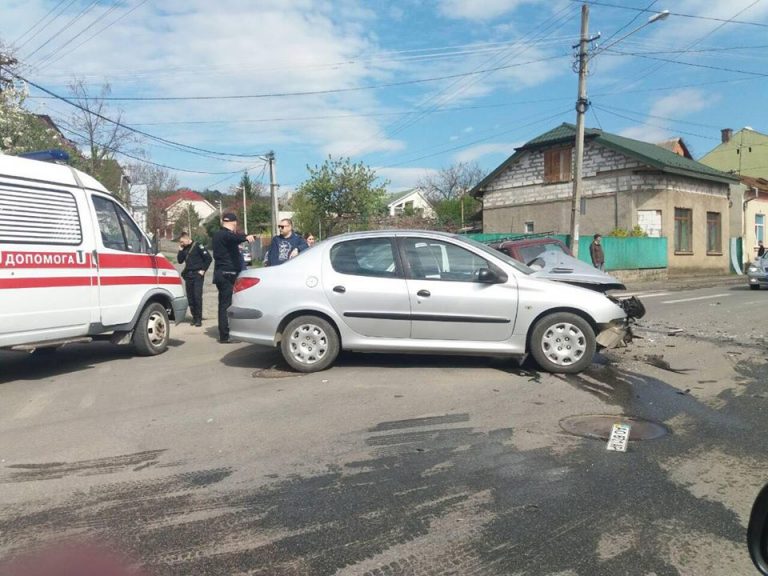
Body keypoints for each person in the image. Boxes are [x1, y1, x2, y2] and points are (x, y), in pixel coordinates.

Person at [212, 213, 255, 343]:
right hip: (227, 274)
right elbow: (233, 237)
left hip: (221, 273)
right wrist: (246, 237)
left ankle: (227, 331)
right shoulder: (226, 235)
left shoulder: (217, 235)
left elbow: (232, 238)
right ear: (234, 223)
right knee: (226, 305)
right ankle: (225, 335)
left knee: (224, 304)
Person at [177, 232, 212, 327]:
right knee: (190, 298)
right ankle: (194, 317)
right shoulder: (184, 248)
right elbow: (180, 261)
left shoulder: (198, 246)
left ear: (187, 238)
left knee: (197, 297)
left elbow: (208, 258)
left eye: (182, 241)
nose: (181, 243)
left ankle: (199, 319)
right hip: (188, 275)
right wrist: (180, 250)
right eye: (180, 242)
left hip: (197, 274)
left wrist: (203, 270)